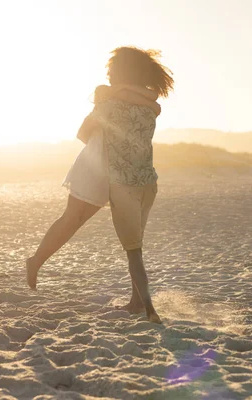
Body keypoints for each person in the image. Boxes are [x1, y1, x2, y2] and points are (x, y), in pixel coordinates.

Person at [27, 47, 173, 324]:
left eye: (112, 71)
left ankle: (138, 303)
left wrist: (110, 103)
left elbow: (82, 132)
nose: (108, 75)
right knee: (85, 222)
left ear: (120, 73)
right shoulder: (151, 105)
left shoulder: (107, 100)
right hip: (124, 175)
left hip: (115, 173)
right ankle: (35, 262)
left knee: (83, 222)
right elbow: (151, 100)